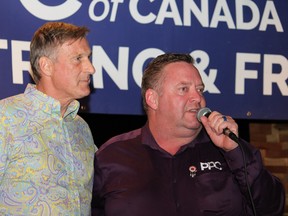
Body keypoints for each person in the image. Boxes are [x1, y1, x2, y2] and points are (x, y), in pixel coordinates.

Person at [91, 53, 285, 216]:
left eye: (200, 89)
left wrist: (235, 150)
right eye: (184, 89)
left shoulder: (228, 150)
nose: (197, 98)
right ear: (153, 99)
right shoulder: (113, 155)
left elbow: (272, 208)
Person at [0, 22, 97, 215]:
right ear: (46, 66)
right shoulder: (5, 118)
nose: (91, 68)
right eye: (78, 58)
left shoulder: (82, 129)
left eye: (88, 58)